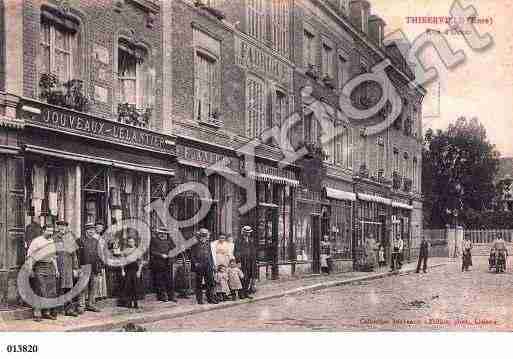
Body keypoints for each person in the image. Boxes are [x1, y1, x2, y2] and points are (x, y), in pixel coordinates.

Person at [27, 225, 59, 322]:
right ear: (43, 231)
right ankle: (37, 313)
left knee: (51, 291)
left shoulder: (51, 241)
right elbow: (30, 256)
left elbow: (53, 257)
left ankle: (46, 312)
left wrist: (56, 270)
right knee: (40, 290)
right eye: (48, 230)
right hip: (39, 266)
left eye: (52, 231)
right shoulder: (36, 241)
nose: (50, 232)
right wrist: (30, 269)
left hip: (50, 267)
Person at [54, 220, 80, 316]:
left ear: (66, 228)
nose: (62, 229)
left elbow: (74, 255)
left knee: (68, 288)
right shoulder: (54, 238)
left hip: (68, 267)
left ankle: (69, 309)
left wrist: (75, 268)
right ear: (57, 228)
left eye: (63, 227)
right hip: (58, 266)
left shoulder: (69, 238)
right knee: (58, 288)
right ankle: (57, 309)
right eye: (60, 227)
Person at [78, 223, 103, 312]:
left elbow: (99, 255)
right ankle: (81, 305)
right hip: (84, 267)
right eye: (89, 230)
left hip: (94, 267)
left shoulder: (96, 241)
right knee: (82, 287)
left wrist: (99, 268)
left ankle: (91, 304)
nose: (91, 231)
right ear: (86, 231)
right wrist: (78, 268)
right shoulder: (80, 240)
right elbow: (77, 256)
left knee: (93, 287)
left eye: (92, 230)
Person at [190, 228, 217, 304]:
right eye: (202, 236)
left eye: (205, 236)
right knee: (198, 283)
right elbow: (192, 255)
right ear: (199, 236)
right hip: (199, 265)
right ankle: (199, 300)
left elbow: (211, 255)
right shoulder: (195, 245)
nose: (203, 237)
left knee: (210, 282)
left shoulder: (209, 244)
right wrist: (195, 263)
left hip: (208, 265)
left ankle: (210, 298)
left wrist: (213, 264)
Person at [150, 231, 176, 302]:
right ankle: (162, 296)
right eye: (161, 233)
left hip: (168, 263)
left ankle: (171, 296)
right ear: (158, 234)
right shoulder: (154, 241)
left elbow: (174, 249)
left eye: (164, 233)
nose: (163, 235)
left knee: (169, 280)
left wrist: (171, 255)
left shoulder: (170, 240)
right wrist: (161, 255)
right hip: (159, 264)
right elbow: (152, 251)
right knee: (160, 280)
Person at [120, 235, 144, 309]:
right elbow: (122, 261)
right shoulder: (125, 251)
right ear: (127, 242)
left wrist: (139, 271)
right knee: (128, 286)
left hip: (135, 270)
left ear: (134, 242)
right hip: (127, 270)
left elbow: (140, 262)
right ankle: (129, 303)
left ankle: (136, 302)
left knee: (136, 286)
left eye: (132, 241)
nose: (131, 243)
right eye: (129, 241)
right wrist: (122, 270)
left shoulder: (137, 251)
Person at [234, 226, 257, 299]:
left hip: (250, 261)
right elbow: (236, 252)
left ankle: (246, 293)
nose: (248, 234)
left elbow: (253, 250)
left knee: (249, 277)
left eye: (249, 232)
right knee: (243, 277)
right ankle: (241, 294)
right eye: (246, 232)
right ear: (243, 232)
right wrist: (238, 261)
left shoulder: (251, 240)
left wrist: (254, 260)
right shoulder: (239, 240)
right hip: (243, 261)